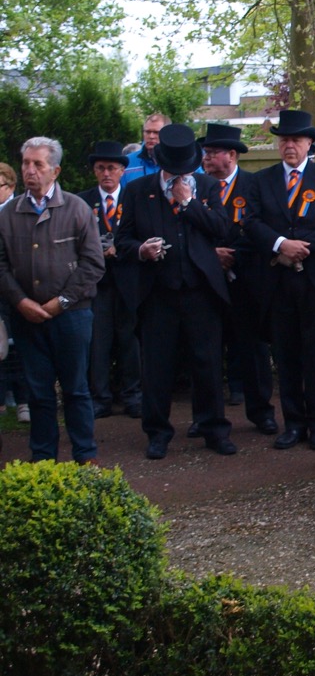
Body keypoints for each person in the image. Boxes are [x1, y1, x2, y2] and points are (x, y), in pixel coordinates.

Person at [116, 125, 236, 458]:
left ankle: (213, 429)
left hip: (201, 291)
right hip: (158, 293)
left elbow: (222, 229)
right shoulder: (138, 191)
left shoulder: (209, 187)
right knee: (157, 368)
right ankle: (157, 433)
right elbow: (121, 240)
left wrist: (189, 204)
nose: (181, 173)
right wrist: (142, 250)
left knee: (208, 364)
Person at [244, 109, 315, 450]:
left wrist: (305, 246)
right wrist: (280, 244)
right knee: (286, 356)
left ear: (309, 144)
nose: (289, 145)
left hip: (314, 281)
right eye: (284, 140)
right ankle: (293, 423)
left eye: (296, 140)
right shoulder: (262, 180)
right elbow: (252, 222)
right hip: (277, 281)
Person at [0, 138, 105, 462]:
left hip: (72, 317)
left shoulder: (76, 208)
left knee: (76, 389)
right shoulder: (8, 214)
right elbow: (0, 264)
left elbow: (93, 264)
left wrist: (61, 301)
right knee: (39, 392)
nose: (29, 170)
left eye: (38, 165)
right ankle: (43, 460)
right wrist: (21, 303)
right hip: (27, 317)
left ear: (55, 170)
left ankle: (85, 457)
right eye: (26, 163)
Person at [199, 123, 278, 435]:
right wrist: (210, 254)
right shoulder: (197, 186)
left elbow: (260, 228)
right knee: (206, 352)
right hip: (208, 282)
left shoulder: (253, 185)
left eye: (212, 152)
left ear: (231, 155)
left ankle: (262, 413)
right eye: (204, 153)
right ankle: (205, 416)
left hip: (246, 279)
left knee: (254, 350)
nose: (205, 158)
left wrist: (232, 254)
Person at [77, 141, 142, 420]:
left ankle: (133, 395)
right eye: (101, 168)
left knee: (130, 340)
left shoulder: (135, 199)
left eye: (112, 168)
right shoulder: (81, 201)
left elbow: (143, 235)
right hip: (97, 283)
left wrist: (123, 248)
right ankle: (100, 397)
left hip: (128, 279)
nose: (106, 174)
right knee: (98, 341)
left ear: (122, 171)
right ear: (94, 171)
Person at [0, 162, 31, 424]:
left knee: (18, 345)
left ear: (10, 186)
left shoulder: (18, 210)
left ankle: (23, 400)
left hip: (17, 287)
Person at [121, 113, 170, 185]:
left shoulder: (180, 163)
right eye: (148, 132)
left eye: (156, 132)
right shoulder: (127, 162)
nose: (151, 136)